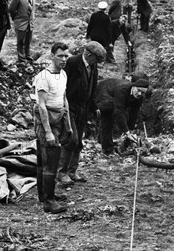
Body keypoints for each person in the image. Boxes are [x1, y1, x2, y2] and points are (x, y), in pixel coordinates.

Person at [58, 41, 106, 187]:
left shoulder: (93, 65)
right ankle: (61, 173)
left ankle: (72, 171)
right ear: (88, 54)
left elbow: (91, 87)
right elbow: (62, 84)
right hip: (69, 106)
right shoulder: (72, 63)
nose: (97, 63)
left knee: (78, 142)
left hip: (83, 108)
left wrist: (93, 106)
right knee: (71, 139)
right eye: (96, 59)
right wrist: (61, 105)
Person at [33, 42, 73, 214]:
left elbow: (64, 99)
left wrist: (68, 124)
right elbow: (41, 106)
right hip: (45, 121)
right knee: (50, 159)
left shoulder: (63, 74)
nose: (64, 59)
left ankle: (45, 194)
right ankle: (49, 202)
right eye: (60, 56)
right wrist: (48, 132)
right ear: (52, 56)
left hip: (58, 118)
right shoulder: (43, 77)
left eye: (66, 56)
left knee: (46, 160)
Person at [93, 77, 149, 155]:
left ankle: (102, 140)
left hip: (114, 94)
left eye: (142, 92)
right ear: (133, 87)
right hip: (104, 91)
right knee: (107, 116)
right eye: (138, 90)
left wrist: (130, 130)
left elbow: (134, 114)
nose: (139, 94)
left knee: (119, 118)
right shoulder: (122, 90)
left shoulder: (139, 97)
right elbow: (119, 111)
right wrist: (126, 131)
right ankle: (107, 149)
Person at [9, 0, 36, 65]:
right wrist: (16, 19)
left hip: (30, 23)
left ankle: (28, 56)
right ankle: (21, 59)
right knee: (20, 42)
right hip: (20, 23)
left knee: (28, 41)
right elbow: (11, 9)